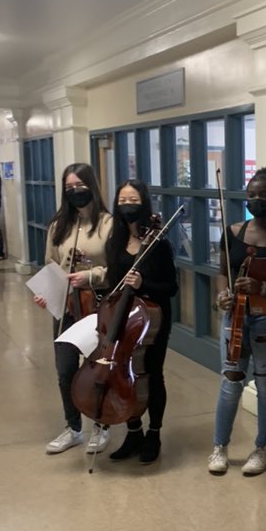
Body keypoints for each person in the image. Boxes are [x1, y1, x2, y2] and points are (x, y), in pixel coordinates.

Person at [209, 167, 266, 477]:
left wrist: (263, 288)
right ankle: (220, 446)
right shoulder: (233, 232)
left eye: (264, 195)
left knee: (265, 382)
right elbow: (223, 269)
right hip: (234, 315)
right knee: (231, 380)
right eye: (252, 195)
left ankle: (262, 448)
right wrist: (222, 293)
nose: (257, 199)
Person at [32, 163, 113, 455]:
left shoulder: (107, 224)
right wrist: (46, 293)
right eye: (69, 188)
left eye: (80, 186)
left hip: (97, 306)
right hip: (66, 306)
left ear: (91, 186)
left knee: (96, 370)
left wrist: (90, 276)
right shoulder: (58, 225)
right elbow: (51, 264)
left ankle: (101, 426)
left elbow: (115, 268)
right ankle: (73, 427)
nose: (75, 192)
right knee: (65, 370)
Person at [104, 180, 178, 464]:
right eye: (122, 201)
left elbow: (171, 287)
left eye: (132, 200)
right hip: (124, 318)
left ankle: (154, 433)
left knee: (153, 374)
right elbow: (113, 281)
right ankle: (133, 430)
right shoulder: (116, 241)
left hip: (153, 320)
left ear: (143, 203)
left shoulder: (158, 244)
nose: (127, 205)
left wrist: (144, 282)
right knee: (123, 376)